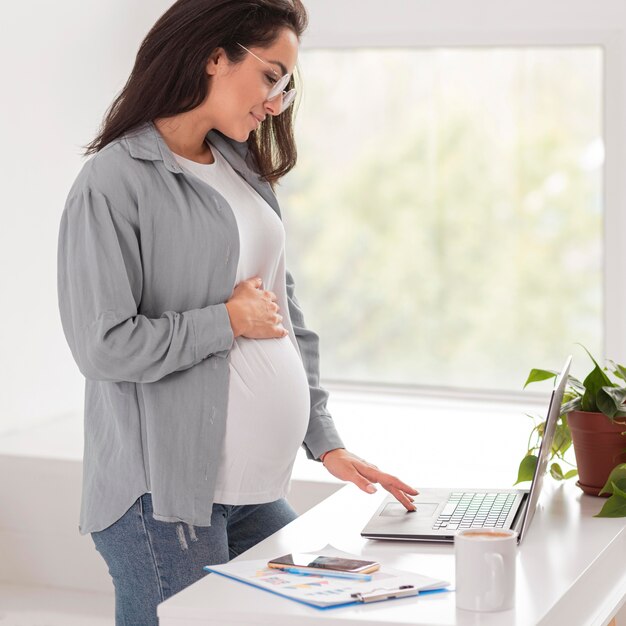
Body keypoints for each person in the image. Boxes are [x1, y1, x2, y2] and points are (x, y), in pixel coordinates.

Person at [57, 1, 418, 624]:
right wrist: (224, 321)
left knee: (320, 612)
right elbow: (103, 345)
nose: (277, 101)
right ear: (214, 55)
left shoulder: (242, 167)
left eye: (287, 84)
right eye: (272, 75)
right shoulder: (114, 181)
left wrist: (324, 440)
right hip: (163, 498)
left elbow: (285, 315)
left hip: (252, 491)